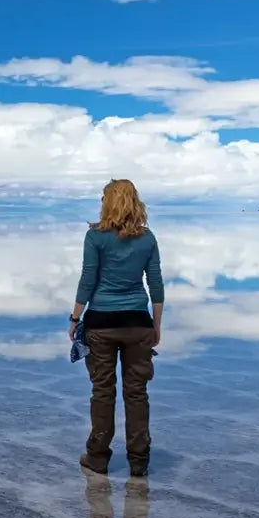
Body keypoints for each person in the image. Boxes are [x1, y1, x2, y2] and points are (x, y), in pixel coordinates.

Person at [67, 179, 164, 477]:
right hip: (137, 323)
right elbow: (156, 284)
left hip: (101, 324)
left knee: (103, 392)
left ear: (107, 202)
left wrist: (75, 318)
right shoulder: (147, 238)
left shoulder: (95, 237)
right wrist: (155, 326)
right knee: (136, 394)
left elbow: (88, 280)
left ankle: (98, 457)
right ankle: (139, 461)